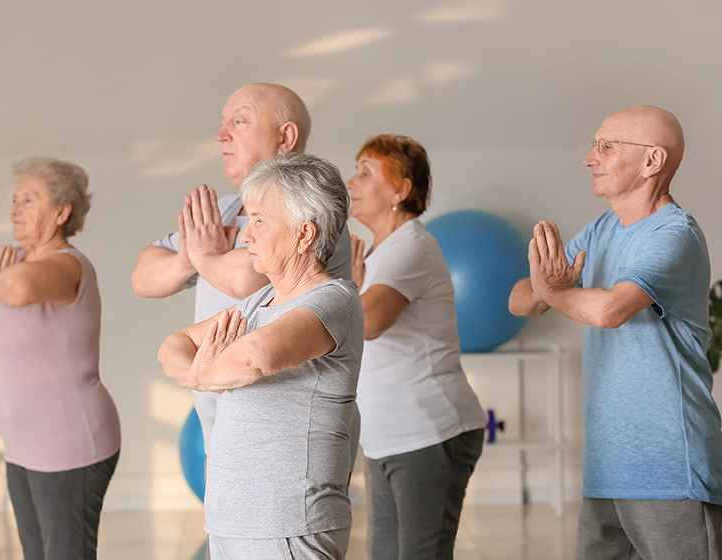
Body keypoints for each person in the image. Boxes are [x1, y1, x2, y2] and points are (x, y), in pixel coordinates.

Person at [509, 106, 722, 560]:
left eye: (606, 146)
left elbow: (609, 311)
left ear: (652, 161)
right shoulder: (602, 229)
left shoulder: (673, 235)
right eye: (594, 144)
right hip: (607, 469)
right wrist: (550, 287)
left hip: (669, 469)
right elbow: (520, 299)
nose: (590, 157)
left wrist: (555, 290)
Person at [158, 153, 363, 560]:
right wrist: (201, 369)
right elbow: (174, 344)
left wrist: (198, 375)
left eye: (259, 222)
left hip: (289, 525)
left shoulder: (333, 300)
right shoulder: (256, 303)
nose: (246, 236)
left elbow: (255, 358)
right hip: (231, 520)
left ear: (304, 235)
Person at [131, 82, 354, 454]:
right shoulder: (219, 212)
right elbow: (143, 278)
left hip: (286, 434)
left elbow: (245, 278)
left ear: (286, 136)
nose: (221, 135)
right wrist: (194, 257)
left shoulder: (314, 212)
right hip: (221, 421)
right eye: (223, 124)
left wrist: (201, 256)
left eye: (239, 121)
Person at [0, 157, 120, 560]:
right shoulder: (11, 260)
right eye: (14, 200)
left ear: (61, 212)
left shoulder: (67, 265)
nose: (14, 209)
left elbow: (16, 290)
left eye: (28, 200)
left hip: (70, 443)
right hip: (22, 446)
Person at [346, 134, 486, 560]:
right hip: (386, 437)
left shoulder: (413, 247)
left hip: (430, 430)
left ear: (400, 190)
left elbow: (368, 322)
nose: (351, 181)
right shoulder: (375, 254)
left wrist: (346, 288)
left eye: (365, 172)